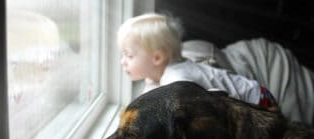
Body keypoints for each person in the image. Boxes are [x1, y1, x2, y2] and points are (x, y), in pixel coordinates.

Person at [117, 13, 278, 110]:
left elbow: (195, 107)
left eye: (129, 55)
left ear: (157, 58)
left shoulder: (176, 78)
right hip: (257, 92)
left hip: (258, 101)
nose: (122, 61)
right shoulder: (158, 73)